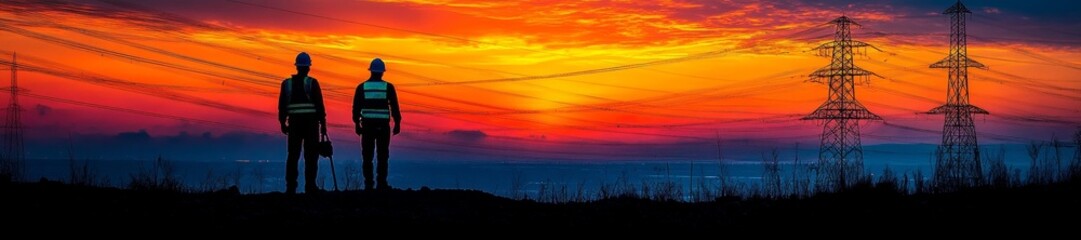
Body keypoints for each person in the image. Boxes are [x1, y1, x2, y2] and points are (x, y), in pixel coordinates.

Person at [278, 52, 327, 194]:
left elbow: (282, 106)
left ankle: (291, 187)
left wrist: (282, 122)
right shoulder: (312, 83)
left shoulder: (287, 84)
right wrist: (323, 125)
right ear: (308, 67)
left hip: (294, 125)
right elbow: (319, 106)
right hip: (311, 125)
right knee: (311, 157)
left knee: (293, 155)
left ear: (297, 66)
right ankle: (310, 186)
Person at [352, 58, 402, 190]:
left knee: (367, 156)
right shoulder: (388, 87)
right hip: (382, 127)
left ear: (371, 70)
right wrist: (397, 122)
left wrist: (357, 124)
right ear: (382, 72)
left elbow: (356, 108)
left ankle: (369, 184)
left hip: (367, 127)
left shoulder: (362, 87)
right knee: (383, 155)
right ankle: (381, 183)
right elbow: (395, 107)